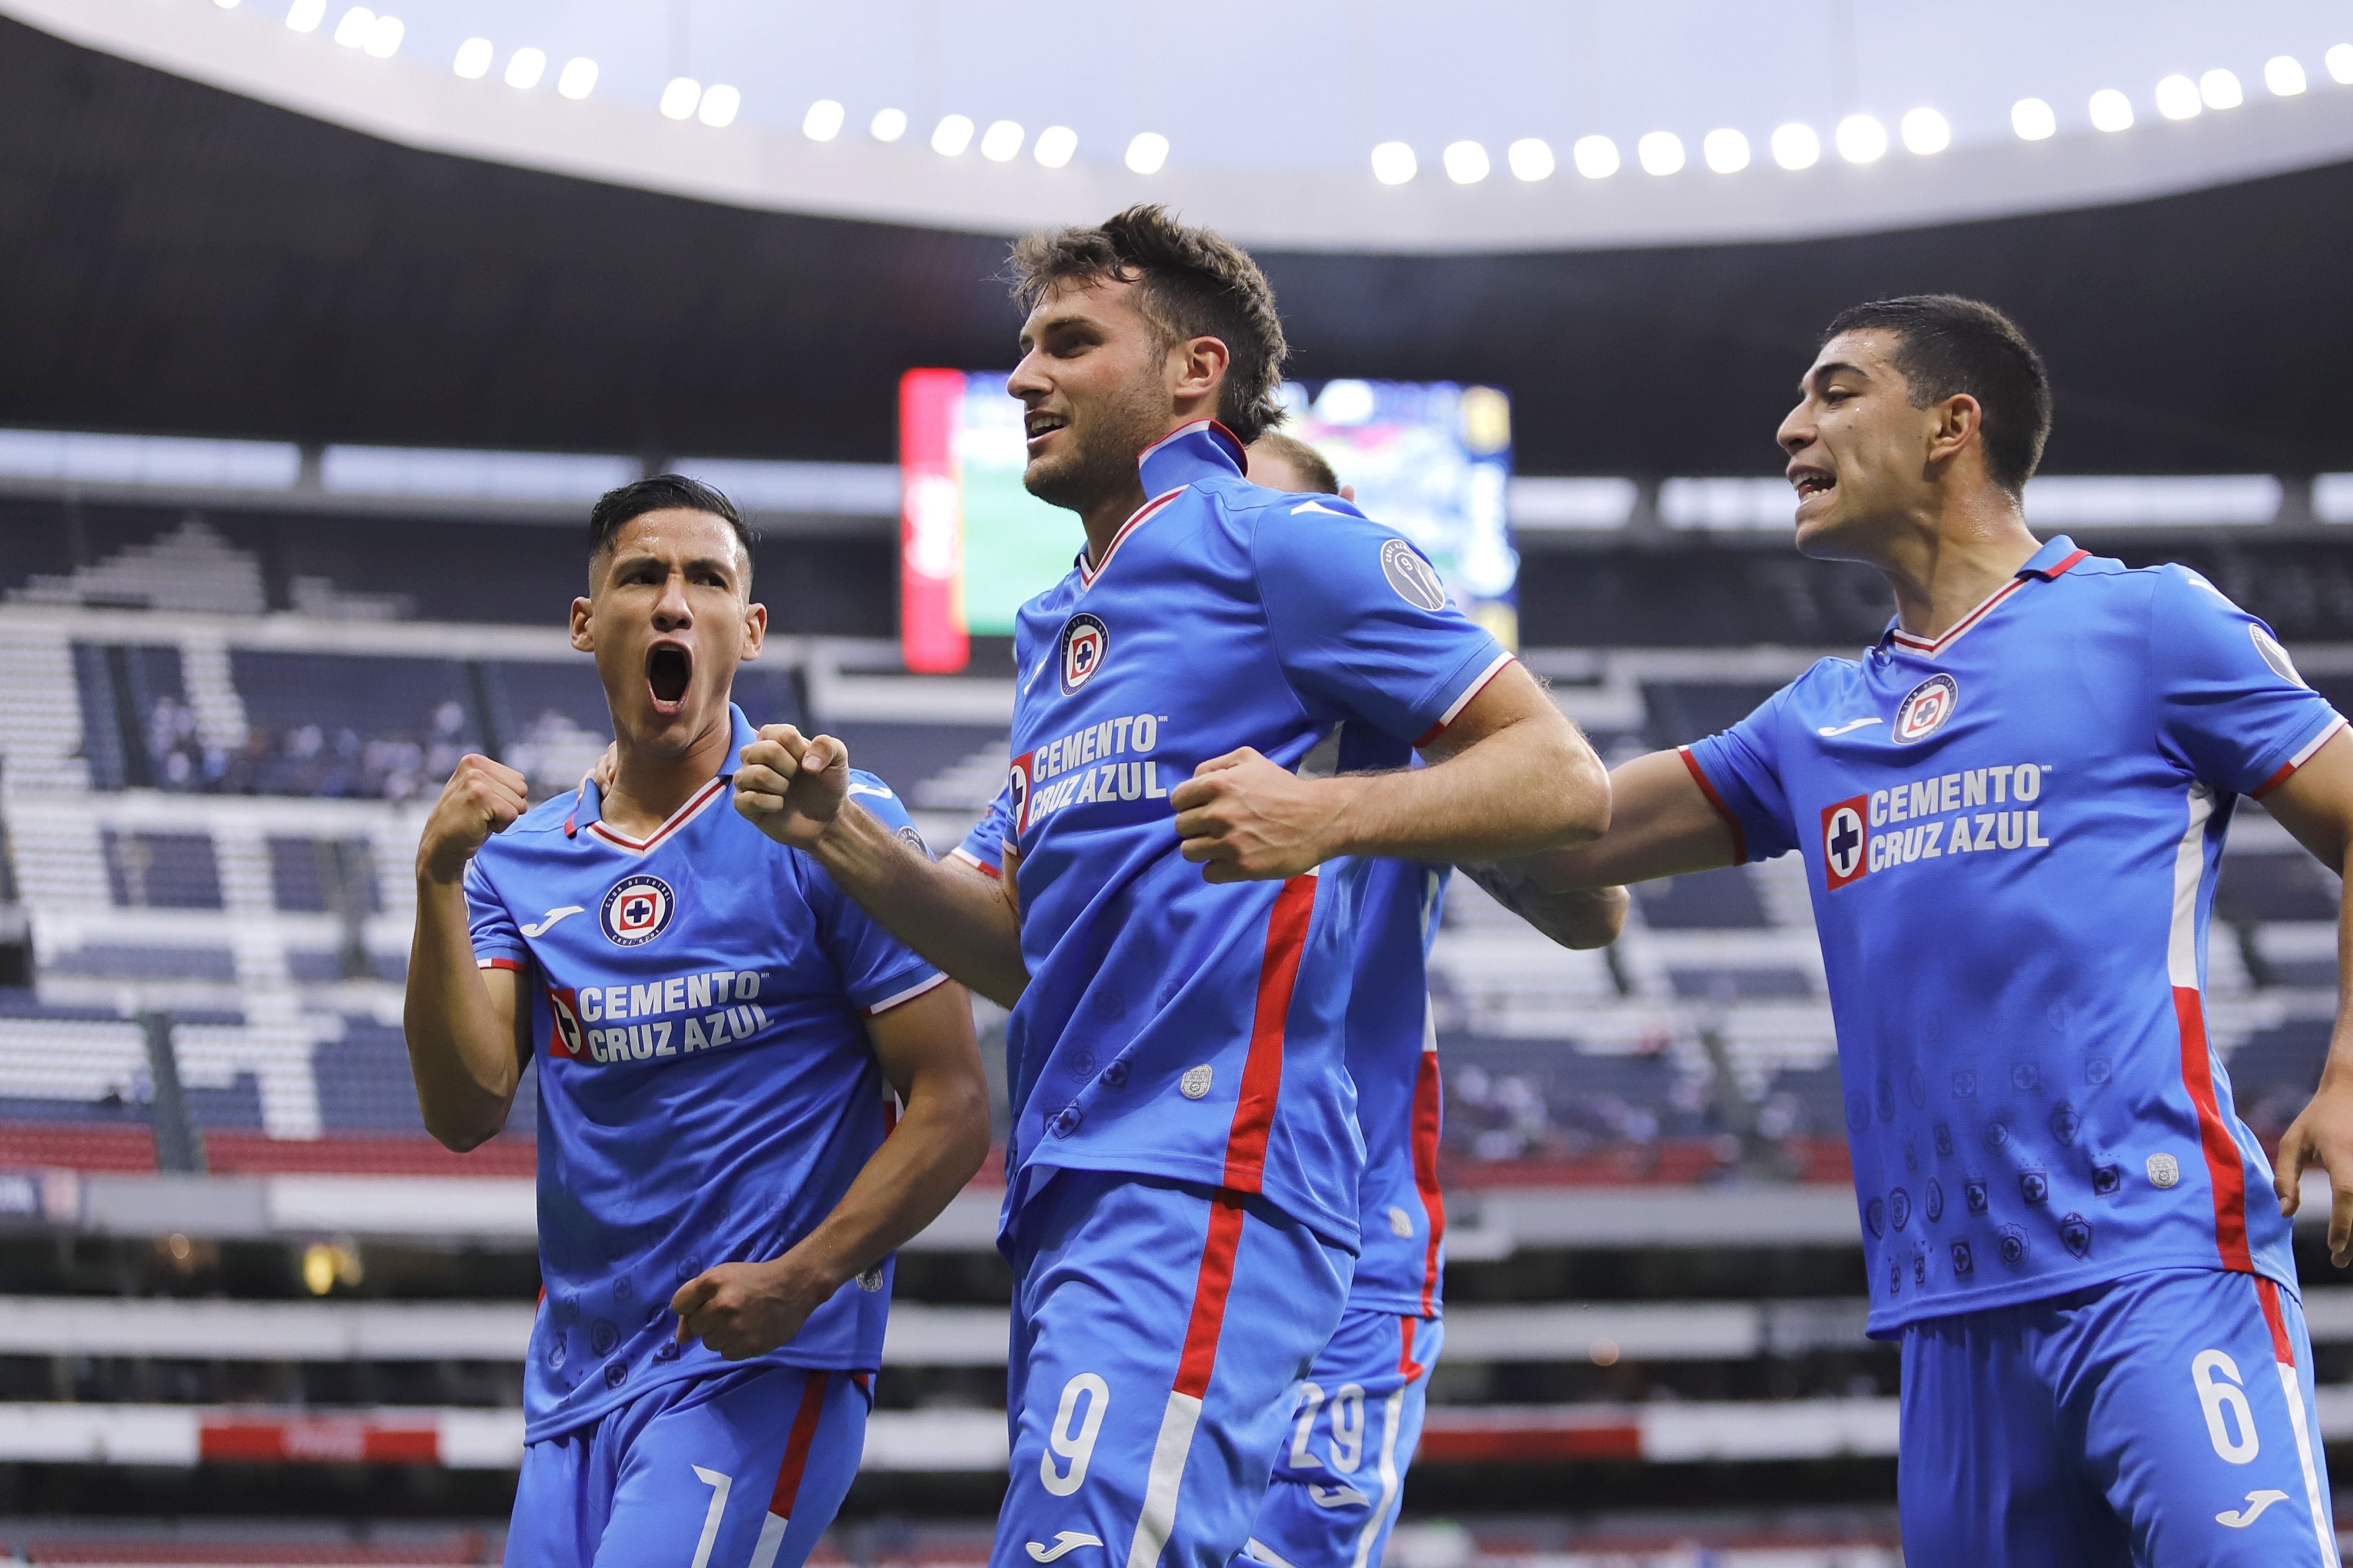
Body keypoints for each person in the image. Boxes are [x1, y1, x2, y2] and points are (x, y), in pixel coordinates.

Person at [728, 206, 1613, 1568]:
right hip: (1072, 1183)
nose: (1022, 378)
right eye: (1024, 347)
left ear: (1194, 371)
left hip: (1219, 1167)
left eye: (1068, 343)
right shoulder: (1057, 629)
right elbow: (1024, 949)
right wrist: (839, 837)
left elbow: (1564, 784)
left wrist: (1322, 812)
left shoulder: (1288, 542)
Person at [1514, 295, 2353, 1566]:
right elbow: (1571, 832)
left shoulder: (2148, 625)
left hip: (2154, 1267)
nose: (1791, 423)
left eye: (1835, 391)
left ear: (1952, 425)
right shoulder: (1810, 722)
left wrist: (2347, 1071)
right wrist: (1369, 748)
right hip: (1945, 1322)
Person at [403, 475, 991, 1568]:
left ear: (749, 630)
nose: (674, 602)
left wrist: (802, 1279)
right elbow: (462, 1108)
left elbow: (954, 1107)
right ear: (587, 624)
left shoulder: (832, 825)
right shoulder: (520, 863)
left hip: (761, 1362)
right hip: (574, 1388)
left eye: (707, 580)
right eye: (642, 576)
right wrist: (438, 880)